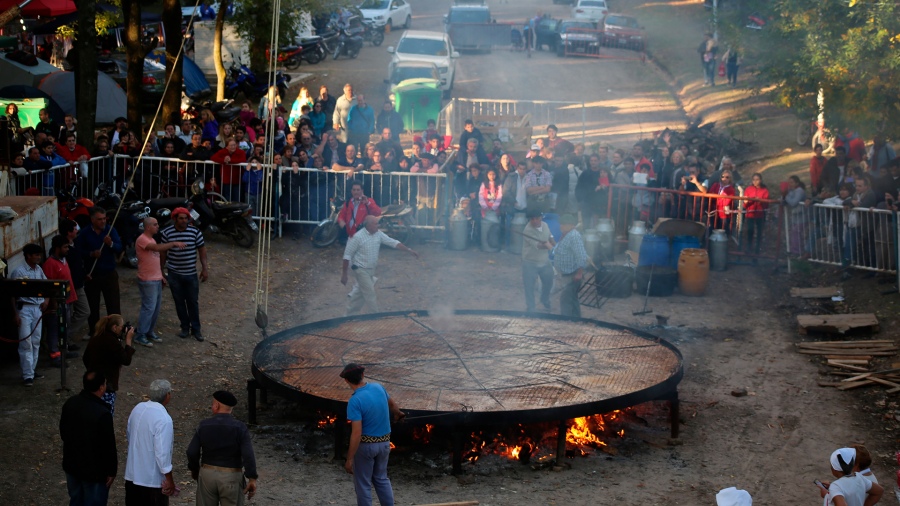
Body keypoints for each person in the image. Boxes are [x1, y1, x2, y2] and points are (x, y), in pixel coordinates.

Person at [340, 363, 404, 506]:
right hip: (385, 444)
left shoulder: (355, 401)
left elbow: (356, 433)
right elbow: (393, 406)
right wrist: (399, 414)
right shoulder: (378, 387)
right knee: (382, 479)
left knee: (363, 484)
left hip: (366, 447)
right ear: (362, 375)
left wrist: (349, 459)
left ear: (346, 380)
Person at [186, 391, 258, 505]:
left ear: (216, 405)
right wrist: (252, 478)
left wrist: (195, 469)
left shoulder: (204, 425)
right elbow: (248, 454)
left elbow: (191, 451)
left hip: (207, 474)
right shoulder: (240, 427)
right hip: (231, 476)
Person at [341, 215, 419, 316]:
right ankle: (376, 317)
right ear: (368, 225)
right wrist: (344, 274)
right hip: (360, 269)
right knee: (370, 294)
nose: (378, 225)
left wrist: (408, 250)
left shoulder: (378, 234)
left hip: (371, 270)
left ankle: (349, 316)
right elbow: (347, 256)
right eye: (375, 224)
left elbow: (393, 242)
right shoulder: (356, 237)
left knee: (359, 294)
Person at [60, 371, 118, 506]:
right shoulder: (102, 413)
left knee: (75, 500)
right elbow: (108, 446)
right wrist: (111, 471)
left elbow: (63, 433)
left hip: (72, 466)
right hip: (94, 473)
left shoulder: (70, 403)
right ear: (101, 387)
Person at [135, 218, 186, 347]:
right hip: (147, 279)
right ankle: (140, 334)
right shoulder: (143, 239)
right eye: (155, 224)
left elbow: (154, 259)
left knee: (155, 308)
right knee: (149, 307)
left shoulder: (151, 239)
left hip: (155, 278)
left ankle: (149, 331)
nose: (158, 226)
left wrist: (160, 275)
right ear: (148, 227)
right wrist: (173, 243)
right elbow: (157, 248)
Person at [160, 208, 209, 342]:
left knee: (193, 302)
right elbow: (163, 253)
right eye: (181, 218)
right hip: (174, 273)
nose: (184, 221)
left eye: (186, 218)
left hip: (191, 273)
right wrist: (160, 270)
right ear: (175, 218)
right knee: (179, 302)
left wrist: (205, 269)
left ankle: (196, 329)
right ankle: (185, 327)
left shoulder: (195, 232)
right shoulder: (167, 233)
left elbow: (202, 251)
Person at [125, 379, 176, 504]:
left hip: (132, 476)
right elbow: (162, 453)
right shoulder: (164, 419)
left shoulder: (138, 408)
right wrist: (169, 480)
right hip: (152, 482)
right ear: (167, 395)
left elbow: (129, 435)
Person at [74, 207, 123, 337]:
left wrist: (111, 243)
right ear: (92, 220)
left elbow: (119, 247)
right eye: (100, 219)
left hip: (109, 274)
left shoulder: (111, 230)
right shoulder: (84, 233)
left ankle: (115, 331)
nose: (103, 222)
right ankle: (94, 331)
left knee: (113, 305)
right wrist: (91, 254)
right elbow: (78, 252)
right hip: (92, 275)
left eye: (104, 219)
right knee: (92, 306)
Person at [10, 243, 49, 386]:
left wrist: (46, 300)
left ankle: (31, 370)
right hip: (24, 308)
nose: (38, 257)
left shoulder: (38, 270)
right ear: (28, 256)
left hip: (37, 308)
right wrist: (15, 314)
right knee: (26, 341)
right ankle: (27, 374)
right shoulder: (18, 272)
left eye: (39, 255)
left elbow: (47, 287)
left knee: (36, 340)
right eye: (36, 255)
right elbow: (12, 294)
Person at [83, 315, 136, 415]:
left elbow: (85, 358)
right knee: (105, 414)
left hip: (92, 384)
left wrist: (92, 372)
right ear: (114, 327)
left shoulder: (96, 337)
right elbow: (126, 360)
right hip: (106, 385)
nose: (122, 329)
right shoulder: (112, 342)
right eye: (121, 326)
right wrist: (128, 341)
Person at [42, 235, 80, 367]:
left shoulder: (64, 260)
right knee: (54, 329)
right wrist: (53, 303)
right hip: (57, 304)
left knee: (65, 327)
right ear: (57, 248)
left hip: (67, 301)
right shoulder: (50, 264)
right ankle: (54, 355)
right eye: (65, 247)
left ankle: (63, 350)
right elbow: (49, 287)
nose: (67, 249)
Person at [818, 447, 883, 506]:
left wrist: (827, 495)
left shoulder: (835, 487)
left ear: (834, 469)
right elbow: (879, 491)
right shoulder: (859, 477)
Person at [552, 214, 587, 317]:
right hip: (566, 274)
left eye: (563, 224)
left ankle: (566, 322)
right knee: (572, 299)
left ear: (571, 225)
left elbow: (581, 256)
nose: (560, 226)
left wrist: (579, 273)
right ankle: (577, 319)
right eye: (561, 224)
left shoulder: (574, 236)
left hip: (573, 275)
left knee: (565, 300)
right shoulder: (565, 235)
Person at [521, 208, 555, 312]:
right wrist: (550, 247)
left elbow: (550, 236)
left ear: (541, 218)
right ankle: (531, 307)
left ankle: (544, 299)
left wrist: (553, 243)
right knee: (529, 286)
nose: (535, 221)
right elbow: (538, 245)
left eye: (537, 218)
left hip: (544, 261)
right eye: (532, 219)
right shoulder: (527, 230)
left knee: (549, 281)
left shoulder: (545, 225)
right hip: (530, 261)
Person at [743, 173, 769, 257]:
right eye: (754, 179)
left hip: (760, 214)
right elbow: (744, 204)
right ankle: (749, 248)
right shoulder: (748, 189)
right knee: (750, 230)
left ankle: (757, 250)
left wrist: (760, 201)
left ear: (760, 180)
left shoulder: (764, 190)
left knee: (759, 233)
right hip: (750, 214)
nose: (755, 181)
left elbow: (766, 204)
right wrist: (747, 201)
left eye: (757, 179)